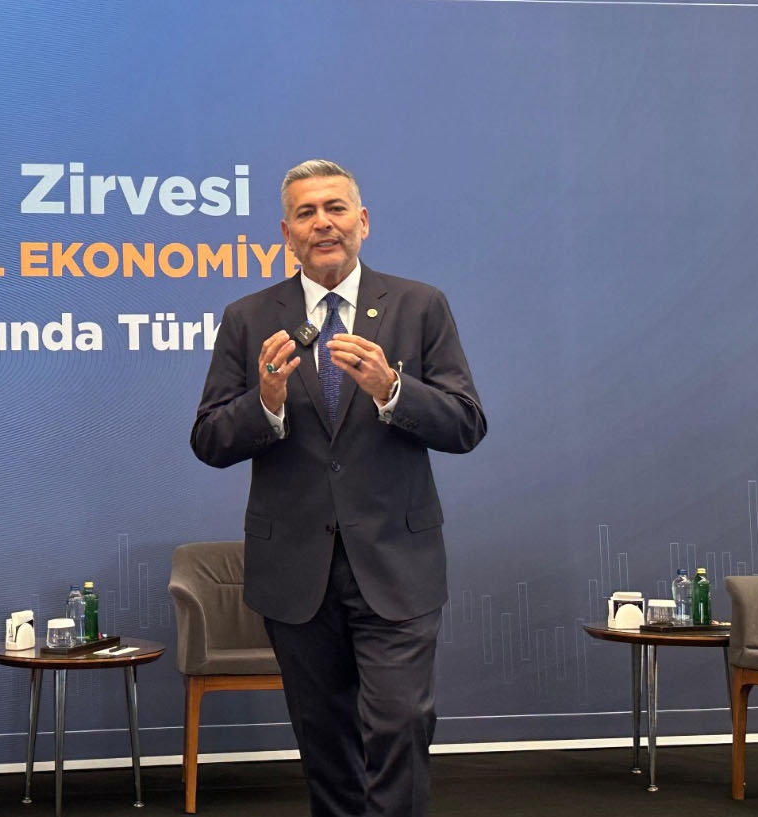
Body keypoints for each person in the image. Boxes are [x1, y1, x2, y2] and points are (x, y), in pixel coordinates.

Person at [190, 159, 486, 817]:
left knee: (401, 722)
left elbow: (466, 423)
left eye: (335, 208)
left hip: (397, 561)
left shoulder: (419, 306)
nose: (322, 222)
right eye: (306, 212)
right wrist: (264, 403)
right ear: (286, 233)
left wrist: (393, 389)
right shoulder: (247, 317)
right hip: (296, 569)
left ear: (363, 221)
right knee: (325, 741)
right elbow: (208, 438)